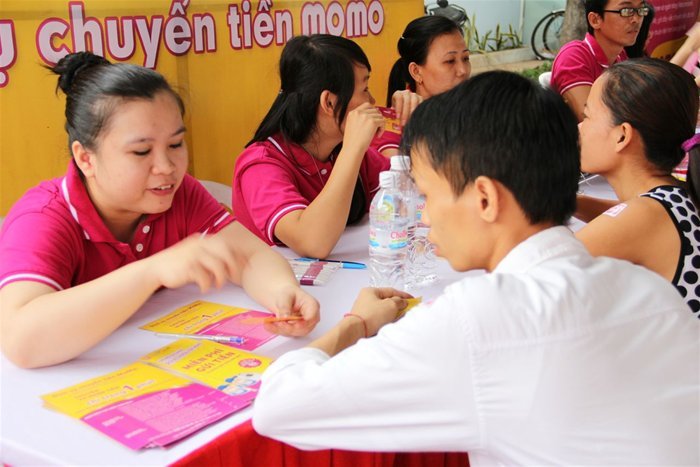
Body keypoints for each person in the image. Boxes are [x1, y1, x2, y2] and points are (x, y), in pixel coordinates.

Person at [252, 71, 699, 464]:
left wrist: (355, 325)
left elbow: (278, 405)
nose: (424, 218)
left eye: (428, 195)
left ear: (484, 199)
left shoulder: (480, 321)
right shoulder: (649, 291)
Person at [0, 52, 320, 369]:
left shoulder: (179, 193)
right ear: (86, 159)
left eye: (176, 145)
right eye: (141, 151)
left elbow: (249, 256)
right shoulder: (43, 218)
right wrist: (153, 270)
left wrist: (283, 292)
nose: (166, 167)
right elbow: (21, 341)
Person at [232, 35, 419, 258]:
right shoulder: (261, 164)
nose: (371, 99)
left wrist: (421, 120)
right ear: (329, 102)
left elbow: (418, 189)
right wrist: (353, 148)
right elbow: (312, 243)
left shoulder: (340, 150)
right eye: (364, 89)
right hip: (286, 290)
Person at [575, 58, 700, 315]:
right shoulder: (671, 194)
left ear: (622, 135)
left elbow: (538, 269)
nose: (579, 128)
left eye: (587, 116)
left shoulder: (642, 217)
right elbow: (620, 214)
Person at [374, 15, 470, 156]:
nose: (463, 71)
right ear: (416, 71)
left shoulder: (473, 110)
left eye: (466, 58)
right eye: (450, 61)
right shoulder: (390, 132)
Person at [551, 0, 648, 121]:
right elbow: (590, 118)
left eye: (641, 10)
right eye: (626, 11)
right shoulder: (574, 57)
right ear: (595, 20)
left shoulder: (621, 57)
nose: (636, 19)